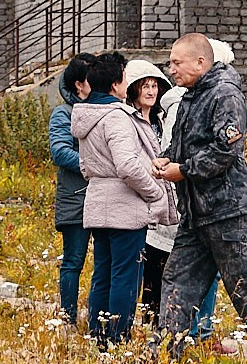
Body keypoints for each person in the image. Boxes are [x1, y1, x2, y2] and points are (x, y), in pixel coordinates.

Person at [153, 33, 247, 357]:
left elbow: (225, 151)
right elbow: (186, 146)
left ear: (200, 62)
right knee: (177, 280)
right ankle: (165, 353)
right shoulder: (190, 96)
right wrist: (167, 159)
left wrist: (183, 170)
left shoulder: (225, 94)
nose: (171, 69)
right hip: (195, 214)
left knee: (243, 284)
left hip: (227, 211)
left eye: (176, 62)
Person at [75, 52, 171, 344]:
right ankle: (118, 339)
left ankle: (99, 336)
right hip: (125, 207)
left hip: (97, 201)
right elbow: (128, 166)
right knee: (125, 275)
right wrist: (154, 192)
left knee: (102, 273)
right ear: (116, 84)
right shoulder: (117, 116)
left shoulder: (86, 114)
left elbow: (84, 165)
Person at [133, 59, 220, 333]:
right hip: (161, 201)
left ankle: (182, 329)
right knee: (160, 269)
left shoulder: (162, 116)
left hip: (176, 201)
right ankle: (174, 329)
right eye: (145, 87)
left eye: (154, 86)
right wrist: (158, 188)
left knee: (174, 269)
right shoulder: (175, 112)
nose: (151, 91)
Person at [48, 54, 96, 327]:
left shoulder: (104, 109)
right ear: (79, 84)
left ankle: (99, 317)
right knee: (73, 260)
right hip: (76, 197)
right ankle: (68, 319)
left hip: (103, 196)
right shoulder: (63, 113)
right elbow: (59, 151)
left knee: (104, 262)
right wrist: (94, 165)